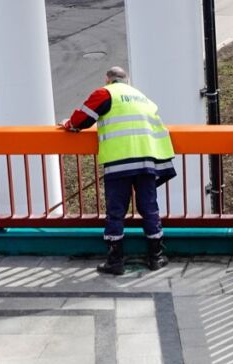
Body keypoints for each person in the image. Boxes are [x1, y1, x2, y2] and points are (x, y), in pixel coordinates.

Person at [62, 66, 176, 275]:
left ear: (108, 79)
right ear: (127, 80)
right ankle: (156, 257)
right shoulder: (142, 97)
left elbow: (81, 119)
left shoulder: (105, 93)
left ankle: (115, 262)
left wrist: (69, 125)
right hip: (147, 160)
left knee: (116, 212)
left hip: (119, 161)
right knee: (149, 208)